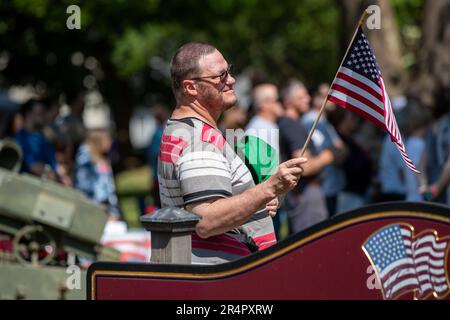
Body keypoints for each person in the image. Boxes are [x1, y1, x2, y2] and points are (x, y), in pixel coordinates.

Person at [158, 42, 307, 264]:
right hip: (221, 281)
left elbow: (217, 204)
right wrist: (269, 188)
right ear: (191, 87)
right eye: (221, 75)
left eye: (229, 70)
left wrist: (256, 201)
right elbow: (206, 220)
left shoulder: (190, 130)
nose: (231, 79)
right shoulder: (197, 139)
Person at [278, 79, 334, 233]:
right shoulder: (290, 124)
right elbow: (304, 167)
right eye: (301, 96)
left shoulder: (292, 123)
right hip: (306, 194)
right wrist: (328, 156)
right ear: (288, 101)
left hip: (305, 194)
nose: (308, 99)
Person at [302, 83, 347, 216]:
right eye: (325, 95)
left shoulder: (324, 121)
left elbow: (341, 150)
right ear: (314, 99)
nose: (331, 98)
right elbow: (329, 152)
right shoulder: (311, 121)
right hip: (323, 188)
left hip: (331, 187)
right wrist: (335, 153)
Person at [74, 127, 121, 220]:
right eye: (108, 139)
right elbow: (86, 187)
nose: (111, 142)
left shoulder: (100, 158)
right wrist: (106, 211)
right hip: (95, 211)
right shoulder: (85, 159)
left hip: (107, 210)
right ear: (98, 140)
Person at [15, 99, 58, 178]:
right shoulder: (20, 138)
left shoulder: (44, 140)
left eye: (44, 114)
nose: (43, 117)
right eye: (40, 114)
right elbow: (35, 167)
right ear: (29, 115)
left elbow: (54, 167)